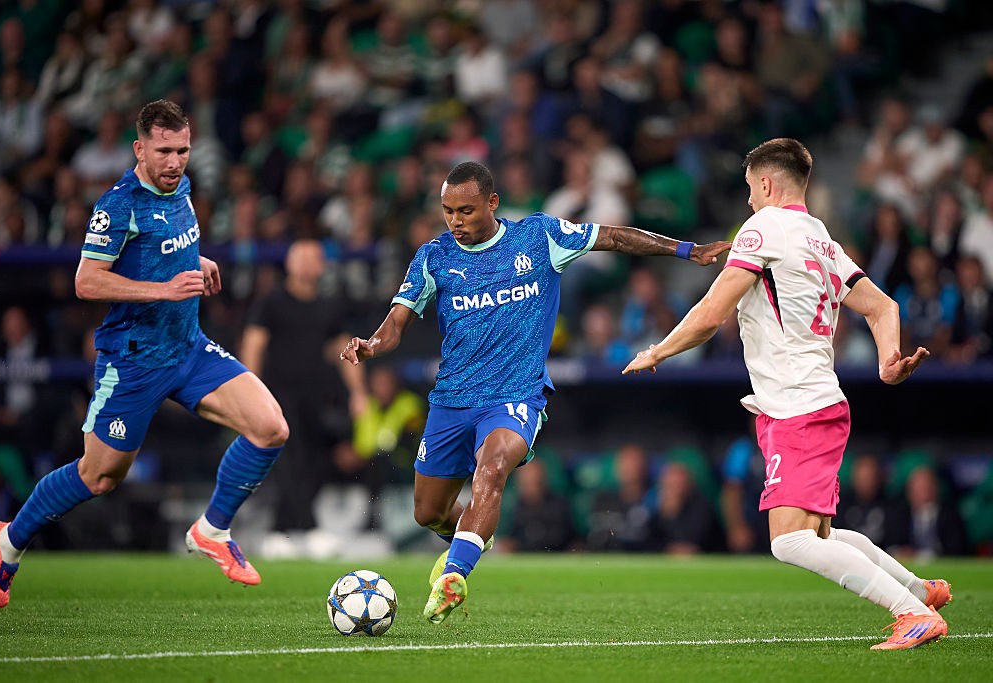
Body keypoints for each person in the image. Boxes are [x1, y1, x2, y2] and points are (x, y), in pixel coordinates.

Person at [340, 160, 729, 624]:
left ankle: (454, 576)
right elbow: (395, 323)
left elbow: (615, 237)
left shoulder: (539, 237)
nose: (455, 221)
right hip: (452, 399)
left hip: (515, 394)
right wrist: (371, 345)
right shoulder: (434, 256)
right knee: (428, 512)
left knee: (492, 467)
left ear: (492, 202)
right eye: (448, 211)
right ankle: (473, 533)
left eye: (466, 210)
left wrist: (686, 250)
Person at [623, 138, 951, 651]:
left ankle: (910, 612)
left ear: (766, 183)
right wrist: (888, 361)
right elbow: (883, 306)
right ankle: (918, 590)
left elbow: (711, 314)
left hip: (799, 404)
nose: (748, 200)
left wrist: (658, 350)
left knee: (789, 541)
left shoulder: (762, 228)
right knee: (818, 535)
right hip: (810, 401)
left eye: (750, 188)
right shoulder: (821, 239)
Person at [0, 100, 289, 609]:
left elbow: (159, 248)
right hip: (134, 360)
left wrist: (196, 260)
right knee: (99, 475)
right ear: (139, 149)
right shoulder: (118, 205)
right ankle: (8, 542)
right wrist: (163, 289)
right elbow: (86, 281)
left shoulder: (181, 189)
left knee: (270, 427)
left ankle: (212, 529)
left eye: (182, 150)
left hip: (187, 347)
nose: (175, 162)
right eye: (163, 151)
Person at [239, 239, 365, 535]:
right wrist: (249, 393)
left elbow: (346, 350)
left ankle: (282, 531)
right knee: (289, 459)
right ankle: (307, 528)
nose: (307, 265)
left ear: (322, 266)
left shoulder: (328, 306)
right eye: (301, 258)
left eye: (313, 259)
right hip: (278, 395)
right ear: (289, 264)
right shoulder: (271, 302)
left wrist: (359, 393)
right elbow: (253, 345)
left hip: (316, 396)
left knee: (315, 462)